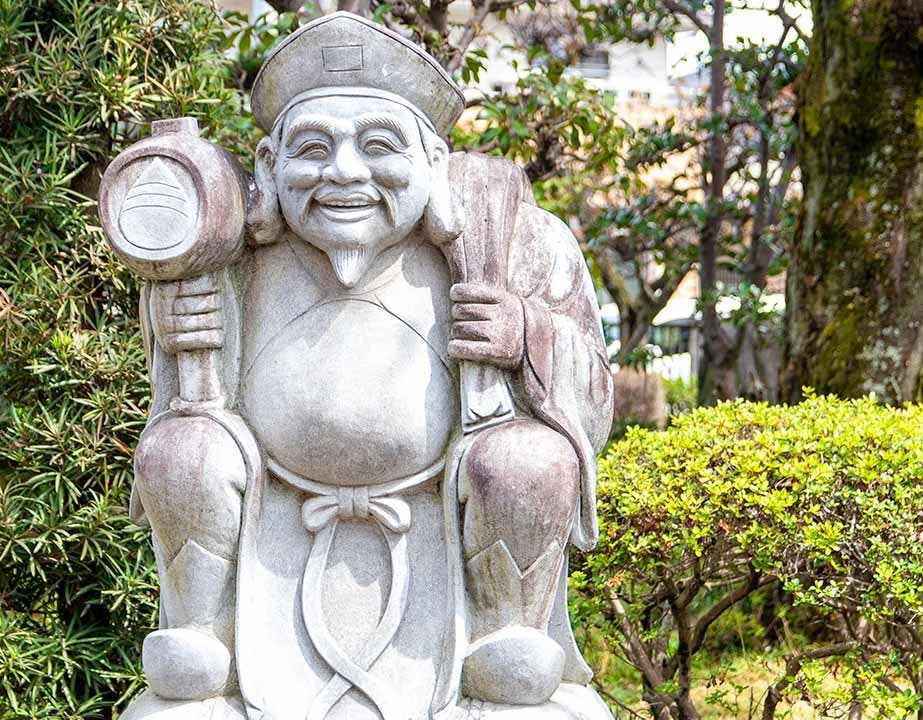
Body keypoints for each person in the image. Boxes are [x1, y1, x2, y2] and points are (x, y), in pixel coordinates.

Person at [127, 12, 613, 720]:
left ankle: (505, 639)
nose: (344, 172)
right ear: (267, 166)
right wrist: (173, 333)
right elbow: (181, 395)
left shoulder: (514, 242)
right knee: (180, 449)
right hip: (274, 515)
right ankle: (202, 637)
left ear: (434, 161)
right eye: (313, 148)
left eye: (378, 145)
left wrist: (526, 335)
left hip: (441, 516)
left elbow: (594, 392)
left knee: (529, 461)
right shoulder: (225, 251)